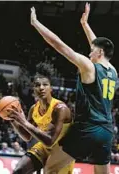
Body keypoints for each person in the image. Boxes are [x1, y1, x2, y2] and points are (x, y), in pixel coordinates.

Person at [30, 3, 118, 174]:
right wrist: (85, 25)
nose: (89, 53)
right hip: (107, 131)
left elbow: (59, 45)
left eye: (92, 51)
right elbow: (99, 47)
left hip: (87, 128)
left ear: (99, 52)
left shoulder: (88, 66)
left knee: (50, 168)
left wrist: (36, 23)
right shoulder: (113, 71)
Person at [7, 62, 74, 174]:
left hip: (63, 151)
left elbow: (50, 140)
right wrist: (13, 120)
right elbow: (27, 136)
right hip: (44, 147)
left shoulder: (60, 108)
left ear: (51, 88)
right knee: (18, 171)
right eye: (37, 85)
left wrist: (23, 122)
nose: (41, 88)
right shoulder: (34, 109)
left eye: (45, 85)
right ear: (33, 88)